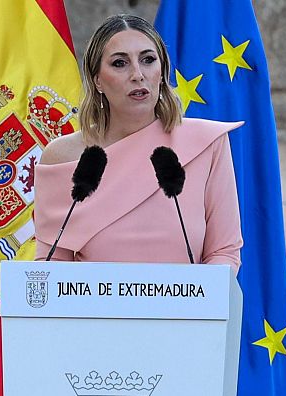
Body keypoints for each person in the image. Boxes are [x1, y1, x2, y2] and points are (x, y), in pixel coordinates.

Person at [33, 14, 243, 273]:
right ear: (97, 79)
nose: (137, 74)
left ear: (162, 71)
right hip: (93, 313)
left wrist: (196, 307)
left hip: (185, 312)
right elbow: (51, 266)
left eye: (148, 60)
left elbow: (224, 253)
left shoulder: (206, 144)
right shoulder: (63, 157)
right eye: (120, 63)